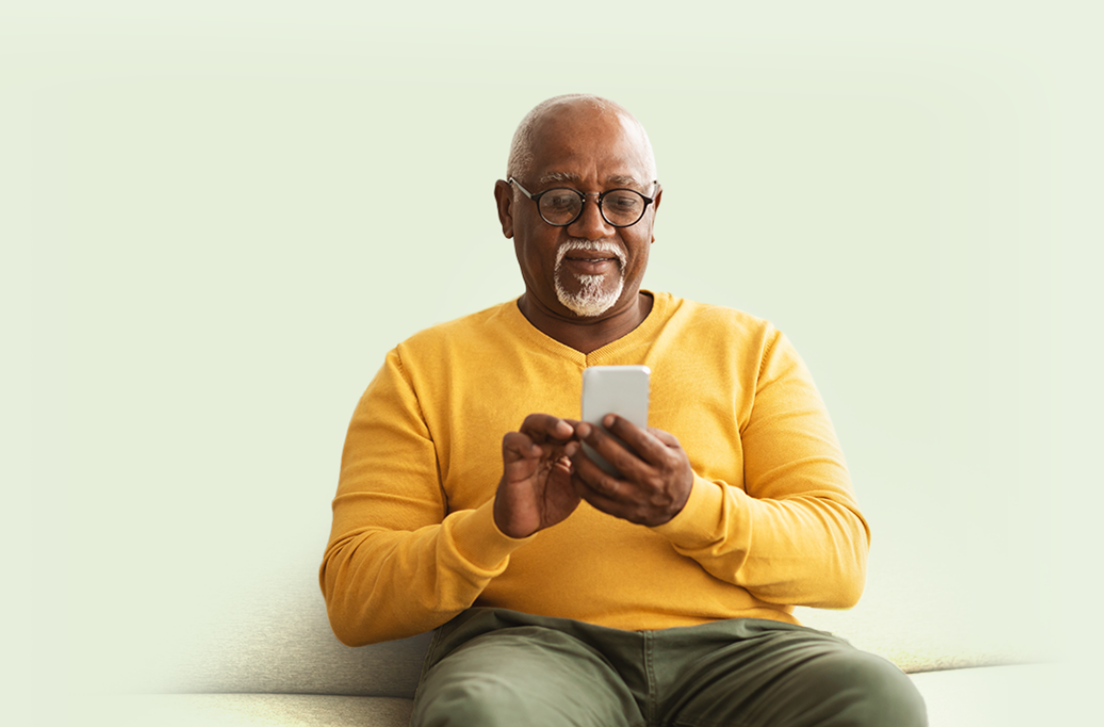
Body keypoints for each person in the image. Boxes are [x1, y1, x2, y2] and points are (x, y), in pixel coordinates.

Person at [318, 95, 926, 726]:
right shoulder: (419, 369)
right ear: (507, 208)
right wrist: (494, 527)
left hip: (739, 653)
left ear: (653, 212)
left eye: (621, 199)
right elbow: (354, 601)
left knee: (874, 696)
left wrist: (687, 505)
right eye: (560, 199)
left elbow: (840, 562)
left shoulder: (751, 349)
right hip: (531, 655)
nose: (594, 227)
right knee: (482, 713)